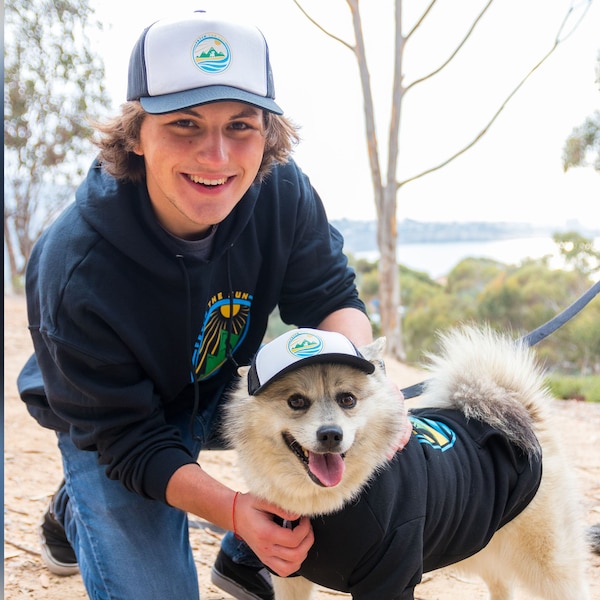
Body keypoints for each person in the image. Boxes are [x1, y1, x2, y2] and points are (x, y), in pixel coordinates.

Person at [17, 10, 376, 600]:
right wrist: (235, 509)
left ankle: (237, 559)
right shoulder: (76, 265)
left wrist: (369, 395)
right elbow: (130, 438)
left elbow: (333, 301)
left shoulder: (279, 189)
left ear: (268, 133)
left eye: (241, 125)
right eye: (184, 123)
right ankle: (80, 496)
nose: (216, 155)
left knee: (348, 435)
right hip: (114, 421)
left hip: (222, 390)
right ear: (136, 134)